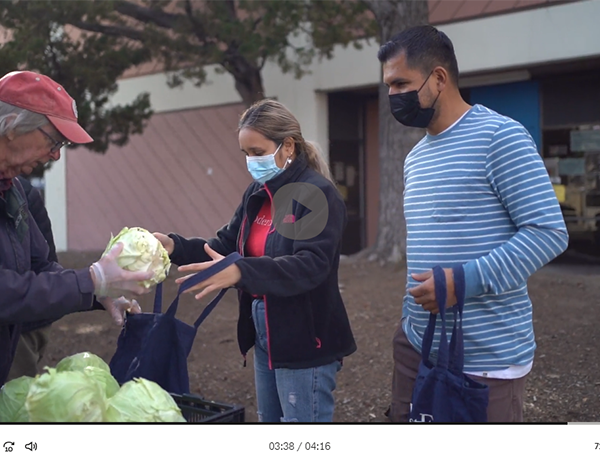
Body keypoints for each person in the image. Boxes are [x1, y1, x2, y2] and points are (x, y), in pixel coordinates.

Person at [378, 26, 569, 422]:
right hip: (416, 343)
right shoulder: (415, 158)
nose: (393, 97)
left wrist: (460, 283)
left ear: (439, 78)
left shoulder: (501, 137)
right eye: (388, 86)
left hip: (485, 358)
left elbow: (548, 232)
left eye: (401, 83)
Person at [154, 99, 356, 422]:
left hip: (306, 341)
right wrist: (173, 246)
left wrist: (241, 271)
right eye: (245, 154)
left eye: (258, 152)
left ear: (288, 146)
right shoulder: (257, 193)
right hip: (266, 335)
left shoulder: (317, 195)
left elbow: (309, 266)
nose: (251, 161)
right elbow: (222, 246)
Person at [0, 70, 153, 386]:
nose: (56, 154)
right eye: (53, 140)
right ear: (12, 126)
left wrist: (98, 293)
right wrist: (91, 280)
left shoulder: (11, 190)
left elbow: (40, 266)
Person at [6, 176, 58, 380]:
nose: (54, 157)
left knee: (14, 396)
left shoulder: (20, 190)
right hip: (22, 318)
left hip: (25, 325)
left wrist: (90, 286)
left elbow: (43, 263)